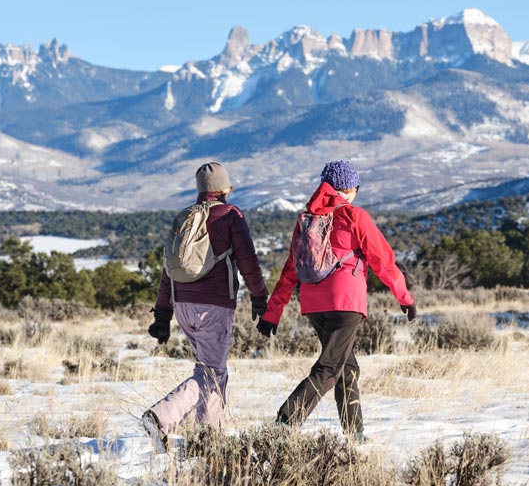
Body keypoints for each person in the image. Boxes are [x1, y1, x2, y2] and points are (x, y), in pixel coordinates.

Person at [257, 160, 415, 440]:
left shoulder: (307, 219)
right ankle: (283, 424)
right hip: (345, 301)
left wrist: (273, 313)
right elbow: (383, 260)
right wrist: (403, 296)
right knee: (329, 368)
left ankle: (355, 433)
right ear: (351, 188)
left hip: (313, 304)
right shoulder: (355, 216)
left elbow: (290, 270)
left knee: (346, 364)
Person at [142, 161, 268, 451]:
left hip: (183, 304)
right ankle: (161, 417)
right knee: (211, 372)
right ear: (225, 188)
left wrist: (163, 313)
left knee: (210, 371)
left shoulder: (183, 218)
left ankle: (208, 439)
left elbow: (168, 269)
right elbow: (248, 261)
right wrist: (260, 297)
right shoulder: (230, 216)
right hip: (214, 305)